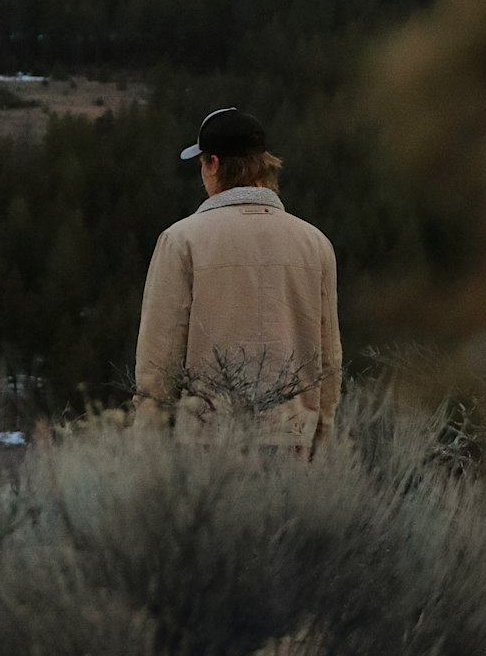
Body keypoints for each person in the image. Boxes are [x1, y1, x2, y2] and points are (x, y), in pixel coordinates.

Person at [134, 107, 341, 447]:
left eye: (202, 163)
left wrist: (148, 437)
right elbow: (329, 354)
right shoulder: (314, 242)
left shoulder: (181, 240)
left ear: (213, 163)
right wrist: (322, 435)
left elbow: (160, 356)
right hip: (292, 439)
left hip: (209, 443)